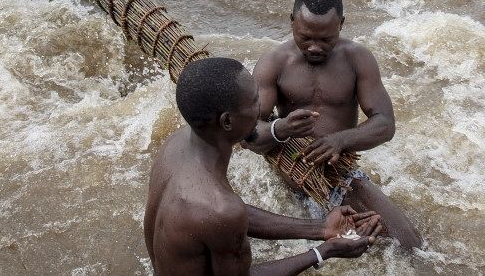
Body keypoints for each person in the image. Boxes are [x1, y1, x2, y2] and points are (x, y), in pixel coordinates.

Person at [144, 57, 383, 275]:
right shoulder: (220, 209)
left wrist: (321, 228)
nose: (261, 108)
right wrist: (324, 251)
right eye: (254, 101)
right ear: (227, 121)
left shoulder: (175, 146)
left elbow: (221, 216)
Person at [244, 0, 423, 249]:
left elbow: (385, 124)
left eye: (326, 39)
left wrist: (340, 140)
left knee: (407, 243)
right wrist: (281, 128)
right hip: (293, 171)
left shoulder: (357, 59)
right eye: (305, 38)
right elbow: (247, 134)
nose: (315, 47)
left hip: (340, 173)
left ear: (341, 24)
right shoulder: (274, 63)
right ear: (292, 22)